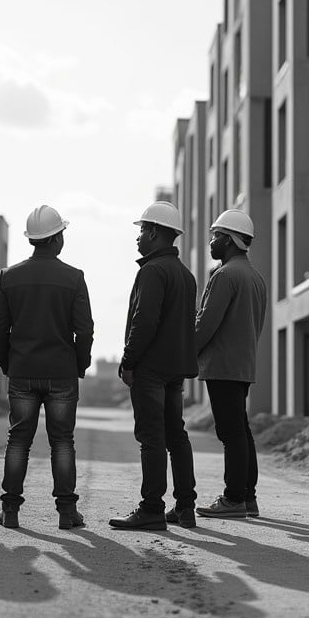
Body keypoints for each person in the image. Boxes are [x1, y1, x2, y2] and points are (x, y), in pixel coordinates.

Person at [0, 205, 94, 530]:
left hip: (22, 369)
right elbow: (85, 330)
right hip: (61, 371)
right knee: (62, 441)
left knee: (18, 440)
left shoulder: (10, 277)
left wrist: (8, 363)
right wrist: (79, 364)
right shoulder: (73, 278)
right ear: (55, 238)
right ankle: (66, 512)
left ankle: (10, 511)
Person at [109, 202, 199, 531]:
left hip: (151, 368)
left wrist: (129, 360)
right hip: (176, 369)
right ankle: (186, 507)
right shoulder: (185, 275)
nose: (139, 237)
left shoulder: (152, 271)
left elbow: (144, 321)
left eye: (143, 230)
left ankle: (151, 508)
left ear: (156, 233)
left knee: (151, 437)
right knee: (176, 435)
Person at [194, 209, 267, 520]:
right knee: (241, 430)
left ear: (230, 241)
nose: (211, 242)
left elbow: (206, 324)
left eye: (216, 237)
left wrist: (185, 353)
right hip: (242, 364)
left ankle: (233, 498)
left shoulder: (224, 276)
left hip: (222, 364)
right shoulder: (255, 277)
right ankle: (247, 497)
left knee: (230, 432)